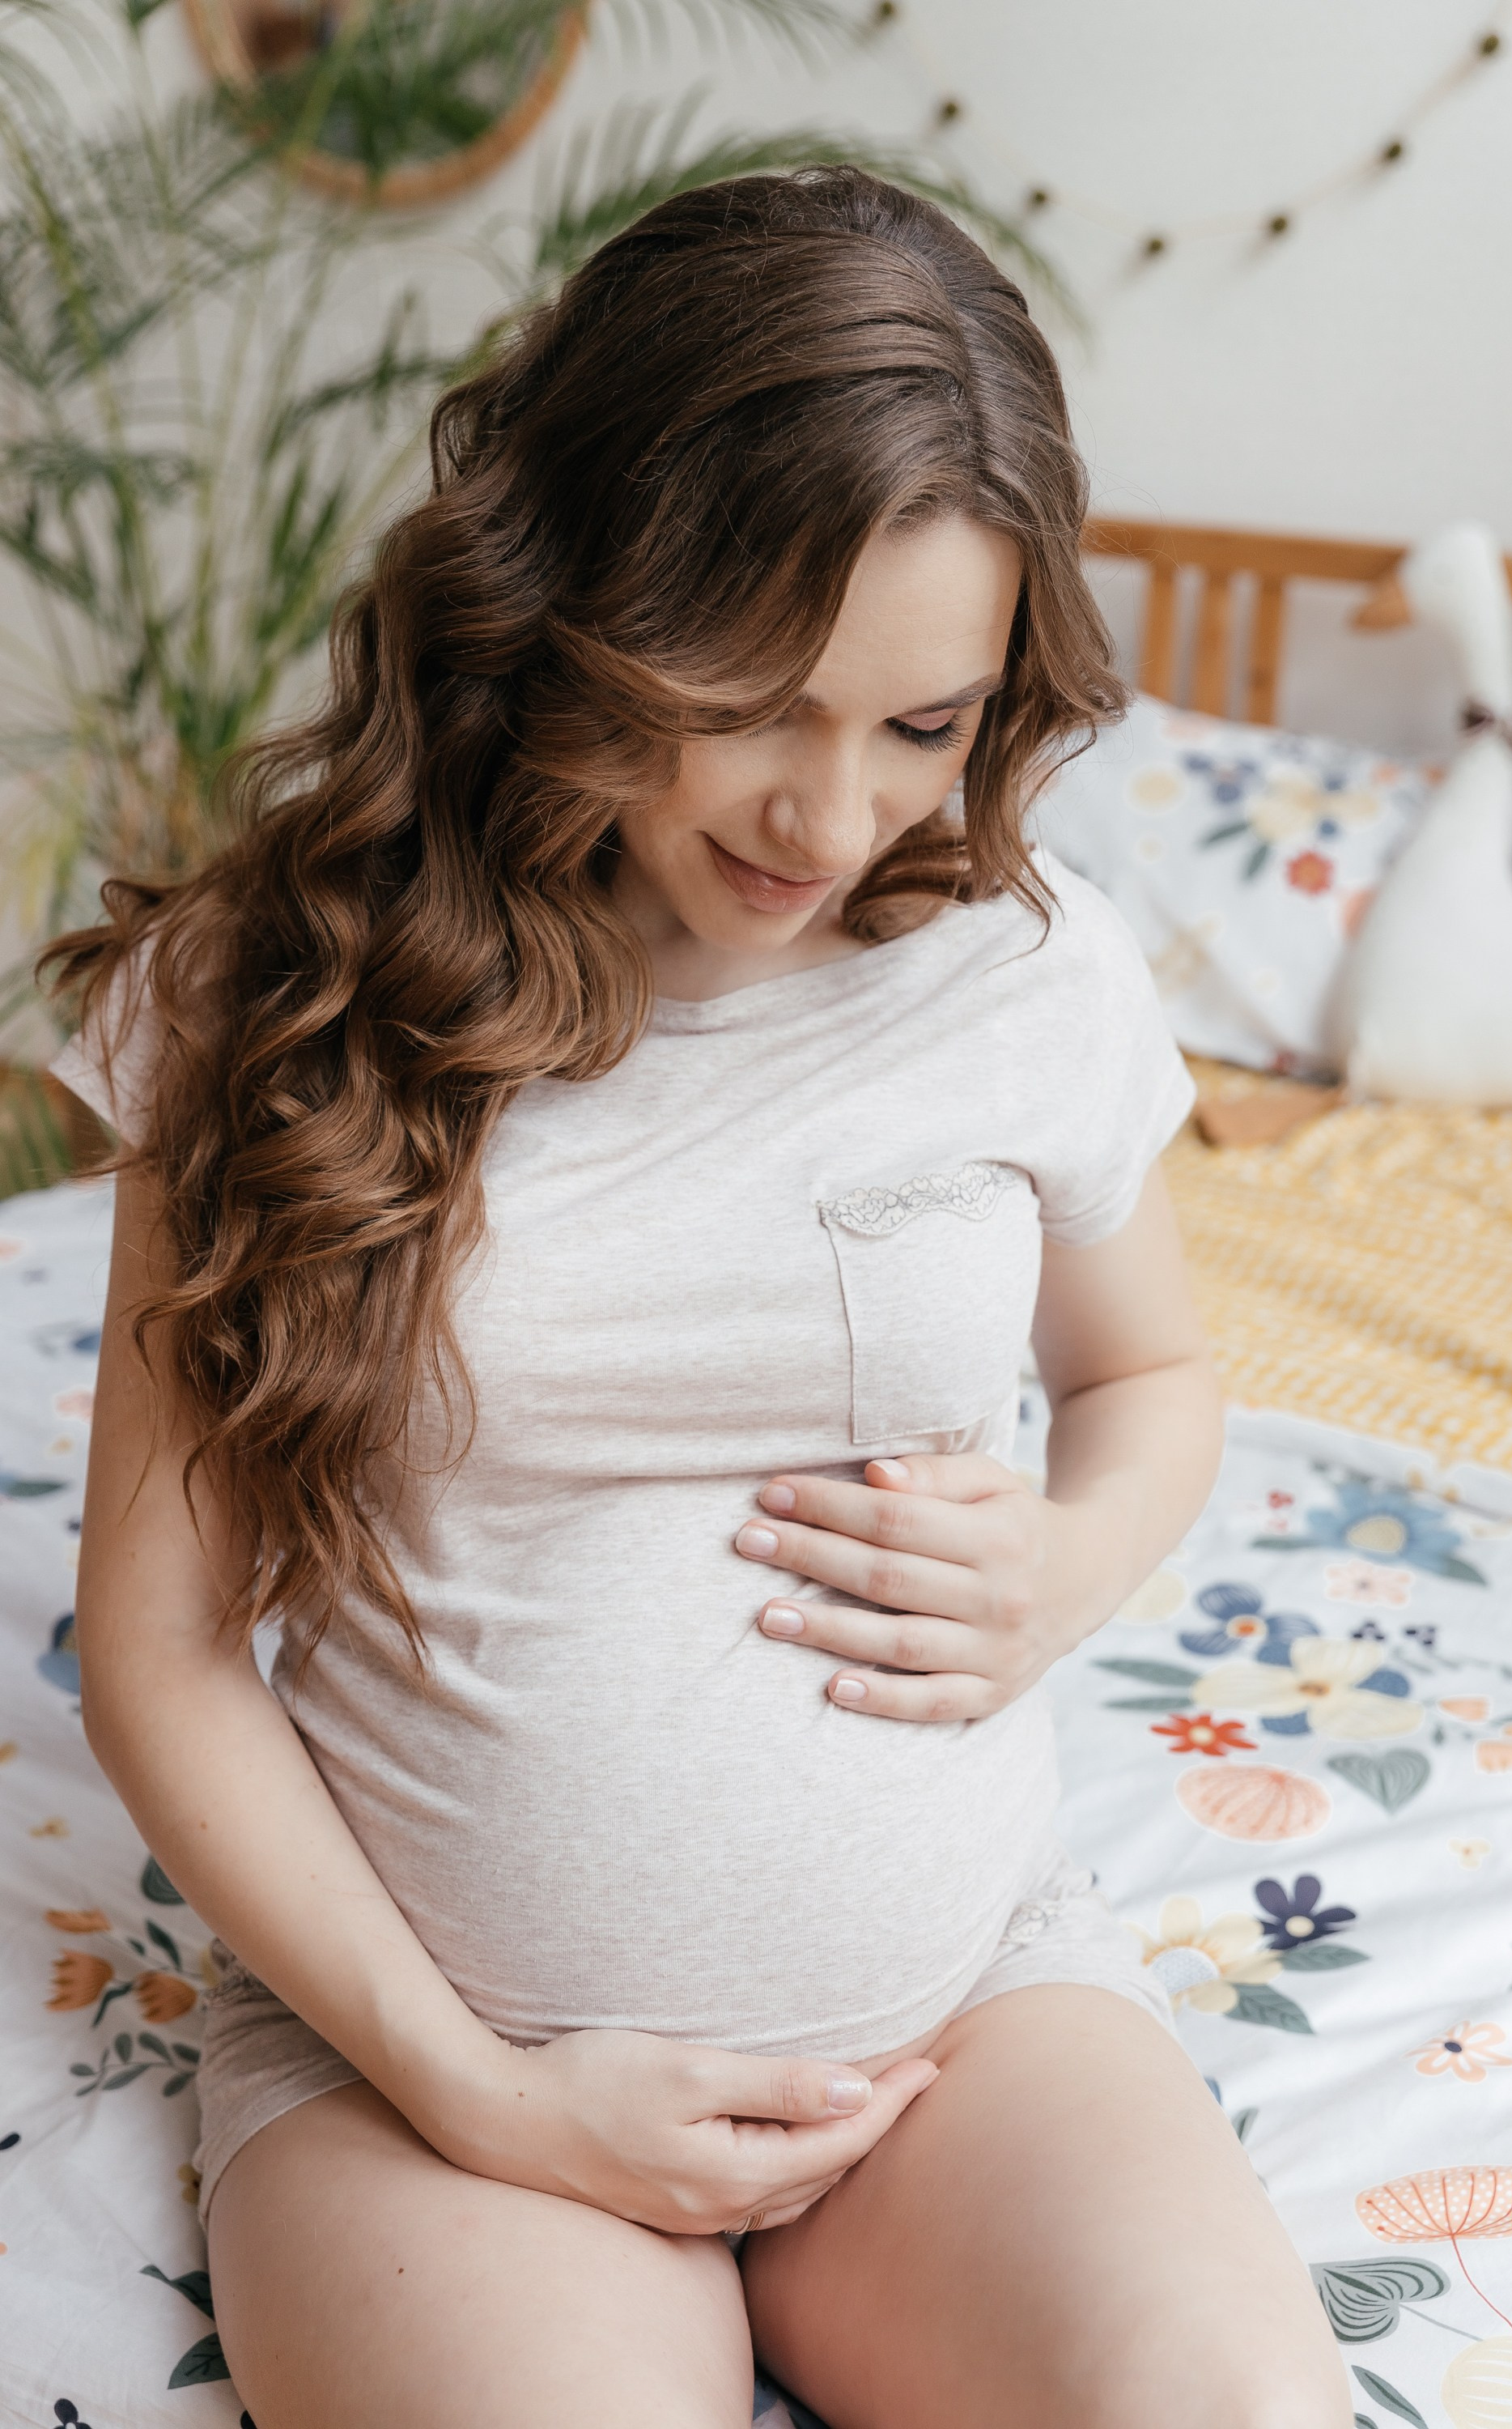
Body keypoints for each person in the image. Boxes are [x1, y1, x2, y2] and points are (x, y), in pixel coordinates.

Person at [47, 169, 1350, 2428]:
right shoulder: (268, 995)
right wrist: (476, 2092)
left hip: (958, 2026)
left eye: (926, 726)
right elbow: (160, 1650)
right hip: (447, 2076)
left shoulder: (1026, 975)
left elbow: (1152, 1374)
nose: (832, 815)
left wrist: (1060, 1561)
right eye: (757, 699)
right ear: (583, 596)